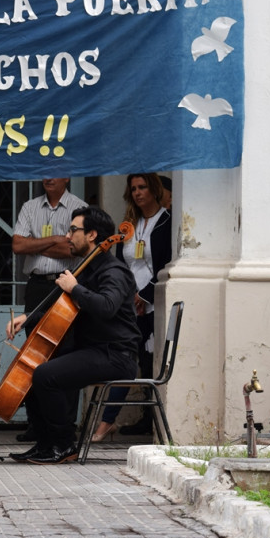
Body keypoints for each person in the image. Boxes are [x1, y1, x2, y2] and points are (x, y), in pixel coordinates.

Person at [5, 206, 142, 464]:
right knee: (35, 368)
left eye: (73, 230)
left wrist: (76, 288)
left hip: (115, 355)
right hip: (93, 350)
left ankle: (64, 445)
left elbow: (107, 306)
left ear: (91, 235)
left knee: (45, 375)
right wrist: (28, 318)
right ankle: (45, 444)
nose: (67, 236)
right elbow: (59, 307)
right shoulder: (87, 268)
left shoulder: (114, 271)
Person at [93, 173, 173, 441]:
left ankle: (149, 424)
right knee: (123, 361)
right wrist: (127, 295)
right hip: (127, 305)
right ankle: (107, 423)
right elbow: (119, 265)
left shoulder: (166, 222)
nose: (138, 193)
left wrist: (145, 295)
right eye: (134, 189)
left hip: (151, 306)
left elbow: (165, 263)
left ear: (154, 190)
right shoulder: (127, 225)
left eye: (143, 188)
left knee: (149, 363)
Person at [11, 178, 88, 441]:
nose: (49, 177)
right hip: (36, 286)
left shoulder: (79, 208)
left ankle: (65, 424)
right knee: (34, 355)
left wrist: (38, 243)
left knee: (67, 353)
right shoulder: (30, 207)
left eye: (55, 171)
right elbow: (18, 246)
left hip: (66, 283)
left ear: (67, 176)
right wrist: (55, 240)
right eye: (44, 171)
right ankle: (37, 424)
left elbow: (75, 249)